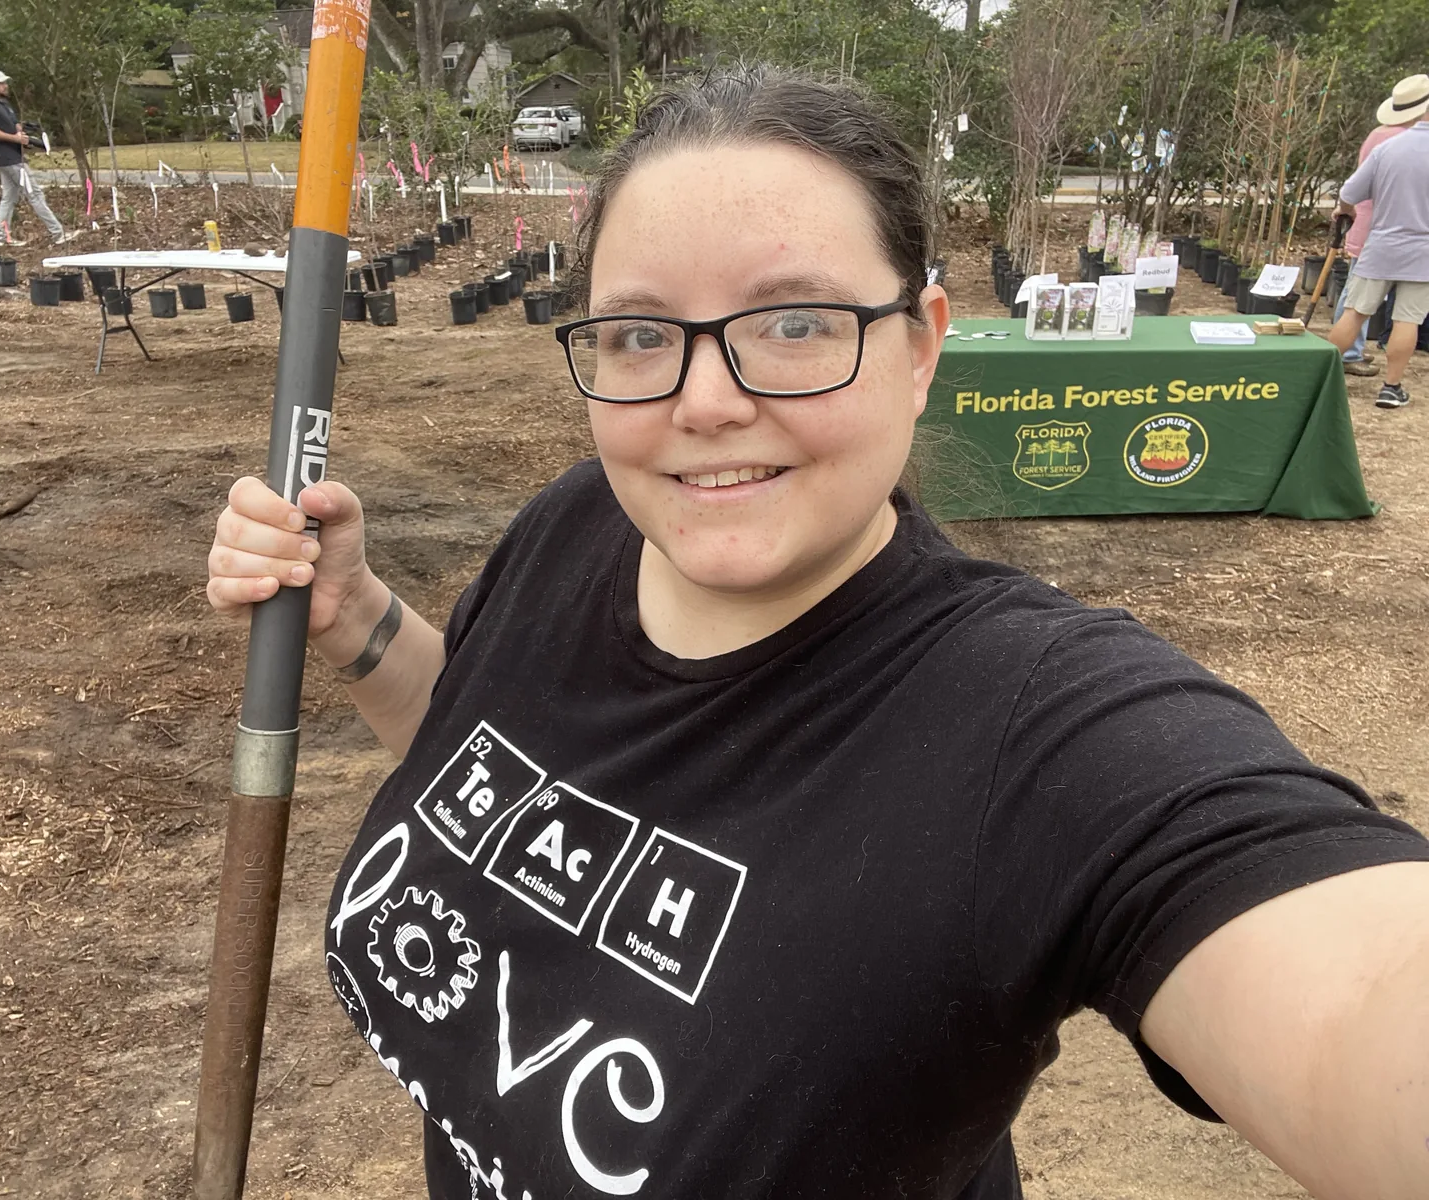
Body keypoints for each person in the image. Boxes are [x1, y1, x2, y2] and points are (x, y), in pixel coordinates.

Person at [208, 68, 1429, 1200]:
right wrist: (360, 621)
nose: (703, 401)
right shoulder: (580, 525)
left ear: (921, 344)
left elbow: (1360, 995)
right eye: (638, 333)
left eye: (793, 322)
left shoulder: (1030, 726)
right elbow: (489, 774)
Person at [1326, 73, 1429, 408]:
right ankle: (1391, 387)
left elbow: (1348, 192)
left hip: (1382, 245)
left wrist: (1348, 212)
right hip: (1423, 251)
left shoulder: (1387, 148)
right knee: (1407, 320)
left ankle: (1320, 377)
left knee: (1354, 312)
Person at [0, 68, 77, 248]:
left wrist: (23, 130)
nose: (5, 86)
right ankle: (58, 233)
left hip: (14, 155)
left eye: (5, 82)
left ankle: (2, 238)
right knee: (35, 194)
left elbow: (13, 126)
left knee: (9, 198)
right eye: (1, 83)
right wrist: (15, 138)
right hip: (8, 157)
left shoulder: (4, 103)